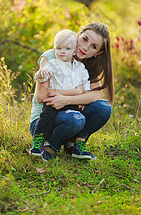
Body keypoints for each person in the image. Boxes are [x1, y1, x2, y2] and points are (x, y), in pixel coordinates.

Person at [30, 22, 114, 161]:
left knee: (103, 108)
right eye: (85, 39)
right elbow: (41, 96)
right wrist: (79, 94)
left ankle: (73, 144)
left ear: (98, 52)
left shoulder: (86, 65)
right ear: (78, 35)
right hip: (43, 121)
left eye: (93, 46)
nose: (85, 48)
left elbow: (96, 95)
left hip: (71, 113)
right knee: (75, 119)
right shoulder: (53, 55)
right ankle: (49, 146)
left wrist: (67, 99)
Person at [29, 29, 91, 161]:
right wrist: (40, 74)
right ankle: (38, 140)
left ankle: (78, 145)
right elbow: (41, 77)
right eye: (59, 48)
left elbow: (83, 85)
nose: (63, 51)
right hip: (54, 102)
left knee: (81, 116)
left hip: (70, 103)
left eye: (67, 48)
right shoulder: (52, 64)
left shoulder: (78, 67)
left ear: (74, 51)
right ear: (54, 49)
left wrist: (82, 95)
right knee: (47, 114)